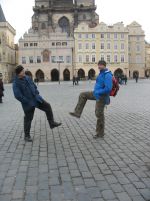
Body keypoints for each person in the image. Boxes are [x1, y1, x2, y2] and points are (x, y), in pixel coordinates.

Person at [13, 65, 61, 142]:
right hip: (28, 103)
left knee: (47, 106)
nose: (24, 72)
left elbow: (34, 86)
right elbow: (18, 95)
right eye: (22, 71)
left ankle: (51, 123)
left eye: (23, 70)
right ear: (19, 73)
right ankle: (27, 136)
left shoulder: (27, 77)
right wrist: (27, 101)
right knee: (28, 119)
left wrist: (37, 93)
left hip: (36, 99)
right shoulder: (16, 83)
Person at [69, 60, 112, 139]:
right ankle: (77, 112)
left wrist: (98, 92)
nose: (99, 66)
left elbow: (108, 88)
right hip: (96, 94)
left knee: (99, 114)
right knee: (83, 95)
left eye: (101, 65)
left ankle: (100, 133)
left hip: (102, 97)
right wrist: (96, 92)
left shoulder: (107, 75)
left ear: (104, 66)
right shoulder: (101, 73)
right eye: (98, 65)